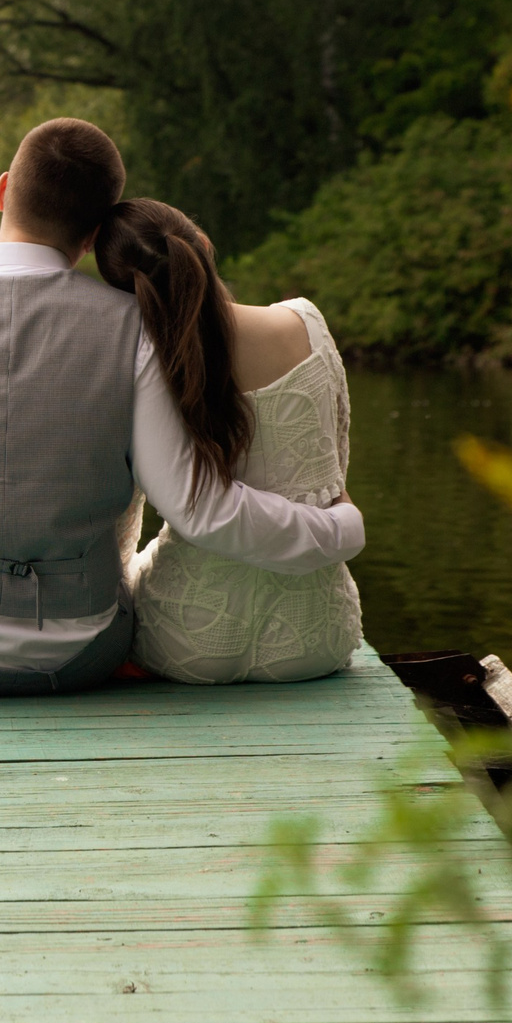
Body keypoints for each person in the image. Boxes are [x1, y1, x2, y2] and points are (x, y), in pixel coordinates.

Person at [0, 119, 362, 725]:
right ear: (95, 235)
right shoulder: (134, 332)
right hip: (82, 652)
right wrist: (340, 528)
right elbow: (195, 504)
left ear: (3, 190)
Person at [95, 199, 361, 683]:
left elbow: (128, 511)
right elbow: (334, 469)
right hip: (315, 638)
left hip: (187, 642)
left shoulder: (146, 360)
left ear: (129, 294)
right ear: (204, 245)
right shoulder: (305, 322)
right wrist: (345, 525)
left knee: (136, 564)